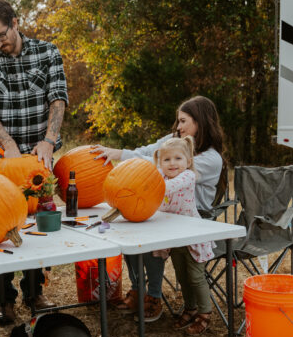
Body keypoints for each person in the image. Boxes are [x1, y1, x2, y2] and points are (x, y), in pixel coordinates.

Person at [0, 0, 68, 324]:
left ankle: (35, 290)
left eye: (1, 36)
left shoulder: (47, 52)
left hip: (38, 159)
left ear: (15, 22)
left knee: (36, 227)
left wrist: (49, 141)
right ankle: (3, 300)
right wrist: (7, 143)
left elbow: (57, 98)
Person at [91, 95, 227, 322]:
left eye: (183, 121)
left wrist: (133, 167)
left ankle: (153, 296)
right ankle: (138, 289)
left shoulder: (211, 158)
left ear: (200, 121)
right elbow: (150, 152)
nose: (178, 127)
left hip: (194, 220)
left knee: (149, 232)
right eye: (178, 121)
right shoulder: (175, 140)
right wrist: (118, 154)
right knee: (132, 225)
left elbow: (161, 167)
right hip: (166, 210)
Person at [150, 136, 215, 334]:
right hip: (175, 236)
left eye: (178, 158)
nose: (172, 163)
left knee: (195, 276)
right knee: (182, 276)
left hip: (194, 236)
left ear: (188, 162)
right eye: (167, 159)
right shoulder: (160, 177)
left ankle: (205, 313)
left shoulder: (187, 176)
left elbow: (167, 188)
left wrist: (148, 184)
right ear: (160, 163)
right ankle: (190, 307)